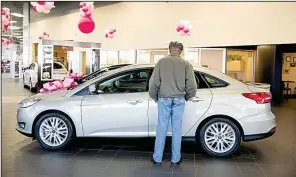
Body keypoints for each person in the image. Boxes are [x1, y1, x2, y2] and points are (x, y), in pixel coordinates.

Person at [149, 41, 197, 165]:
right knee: (177, 129)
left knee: (161, 128)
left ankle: (157, 158)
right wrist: (187, 96)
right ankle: (175, 159)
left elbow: (154, 83)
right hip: (179, 99)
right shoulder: (186, 64)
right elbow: (192, 85)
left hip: (164, 98)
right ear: (181, 50)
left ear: (169, 49)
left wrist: (155, 97)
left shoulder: (161, 62)